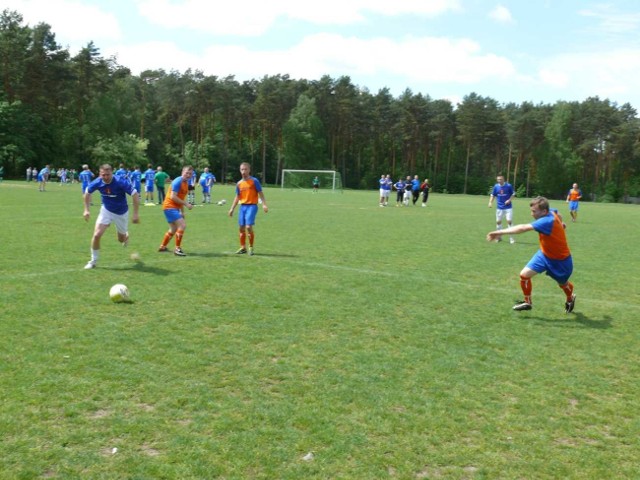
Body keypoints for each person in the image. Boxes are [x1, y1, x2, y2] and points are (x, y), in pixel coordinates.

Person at [486, 196, 576, 313]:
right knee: (524, 275)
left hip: (560, 261)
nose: (531, 214)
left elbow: (523, 228)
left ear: (544, 211)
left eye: (534, 211)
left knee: (563, 284)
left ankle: (570, 298)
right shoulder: (550, 212)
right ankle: (527, 302)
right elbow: (558, 213)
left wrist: (499, 232)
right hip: (544, 254)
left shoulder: (546, 221)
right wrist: (561, 223)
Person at [82, 164, 140, 269]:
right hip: (106, 210)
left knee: (121, 240)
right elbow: (87, 193)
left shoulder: (120, 182)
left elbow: (135, 194)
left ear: (112, 173)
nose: (106, 177)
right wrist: (86, 210)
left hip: (121, 213)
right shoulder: (97, 182)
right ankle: (93, 261)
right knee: (96, 235)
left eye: (108, 175)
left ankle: (125, 236)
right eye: (103, 175)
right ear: (100, 174)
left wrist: (135, 213)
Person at [228, 162, 268, 256]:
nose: (244, 171)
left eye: (245, 169)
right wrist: (232, 209)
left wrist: (264, 204)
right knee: (241, 227)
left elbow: (260, 193)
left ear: (249, 170)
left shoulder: (254, 181)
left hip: (252, 206)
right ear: (240, 170)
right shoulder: (239, 183)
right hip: (242, 207)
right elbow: (237, 197)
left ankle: (250, 247)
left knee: (248, 226)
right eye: (242, 169)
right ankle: (243, 248)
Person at [158, 165, 194, 256]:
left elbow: (180, 197)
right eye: (187, 173)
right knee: (182, 225)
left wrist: (182, 211)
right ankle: (177, 249)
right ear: (182, 172)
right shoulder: (178, 181)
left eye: (190, 174)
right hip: (169, 206)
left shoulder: (186, 184)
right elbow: (173, 196)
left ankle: (162, 246)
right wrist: (186, 204)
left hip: (173, 207)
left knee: (173, 228)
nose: (188, 175)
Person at [488, 174, 516, 244]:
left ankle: (511, 238)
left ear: (504, 179)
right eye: (498, 179)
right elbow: (493, 195)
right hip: (499, 208)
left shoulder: (508, 186)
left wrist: (509, 200)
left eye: (500, 179)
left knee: (509, 221)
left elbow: (513, 194)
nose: (499, 181)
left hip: (508, 207)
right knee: (498, 222)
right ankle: (499, 237)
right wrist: (490, 202)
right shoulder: (496, 186)